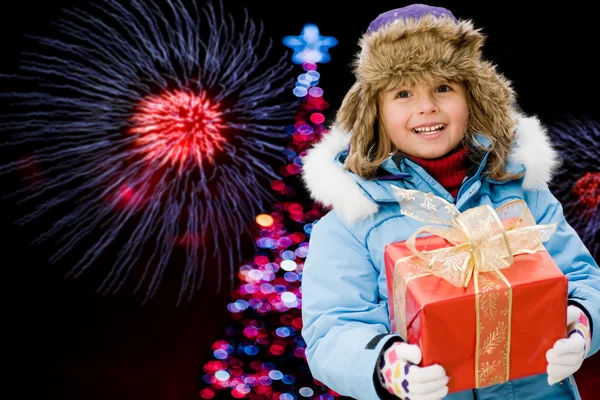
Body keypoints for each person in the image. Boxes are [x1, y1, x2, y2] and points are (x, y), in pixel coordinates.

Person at [300, 4, 599, 400]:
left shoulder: (524, 194)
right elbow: (333, 330)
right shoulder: (352, 222)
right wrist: (388, 367)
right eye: (403, 93)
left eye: (443, 88)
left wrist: (579, 325)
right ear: (375, 111)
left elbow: (583, 278)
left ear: (472, 97)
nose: (427, 107)